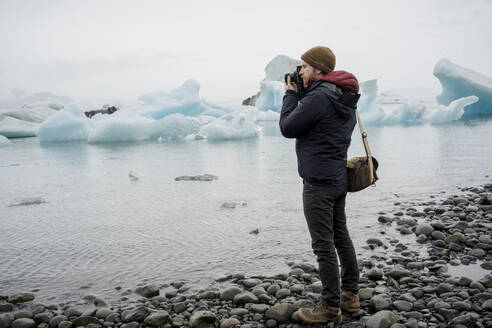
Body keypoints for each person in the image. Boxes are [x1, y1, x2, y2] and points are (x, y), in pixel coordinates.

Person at [279, 46, 361, 324]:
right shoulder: (343, 97)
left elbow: (288, 128)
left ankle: (329, 307)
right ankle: (350, 295)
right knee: (340, 236)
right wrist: (303, 94)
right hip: (337, 178)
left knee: (323, 245)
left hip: (317, 183)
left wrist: (291, 94)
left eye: (304, 66)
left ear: (318, 69)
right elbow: (318, 124)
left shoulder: (320, 97)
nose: (300, 71)